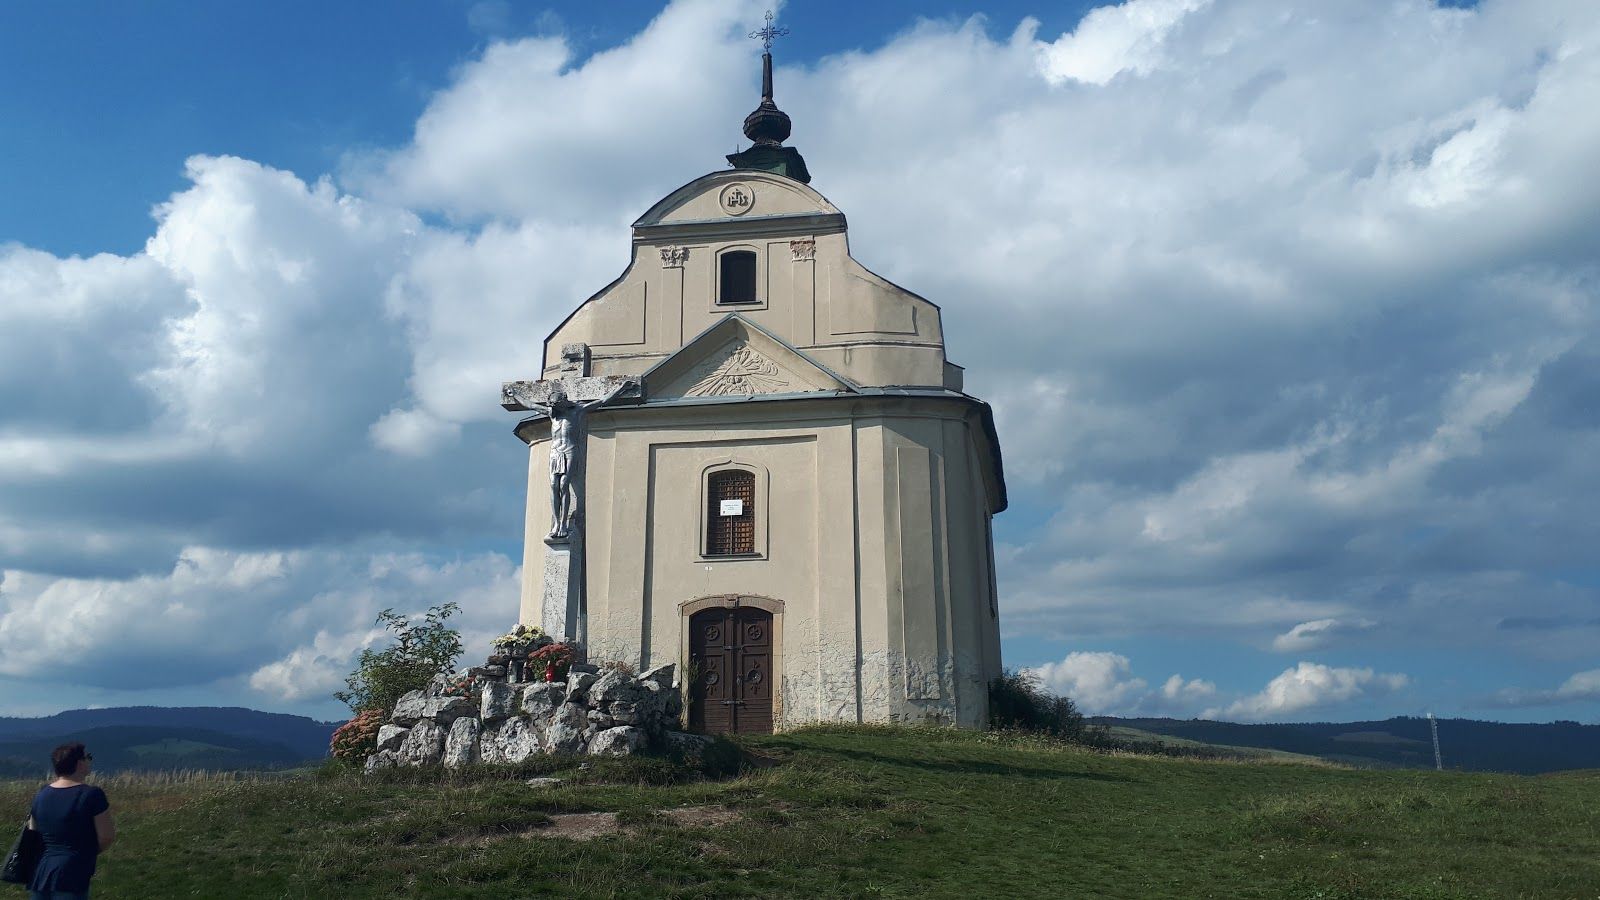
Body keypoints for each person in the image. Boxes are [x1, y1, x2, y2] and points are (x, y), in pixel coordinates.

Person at [25, 743, 114, 900]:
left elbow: (33, 832)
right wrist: (85, 853)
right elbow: (106, 836)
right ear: (79, 763)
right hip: (72, 873)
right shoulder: (92, 795)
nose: (89, 761)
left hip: (41, 873)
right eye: (88, 758)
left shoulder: (41, 795)